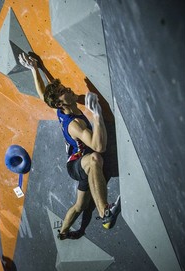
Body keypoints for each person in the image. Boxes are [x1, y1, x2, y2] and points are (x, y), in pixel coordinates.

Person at [18, 53, 121, 239]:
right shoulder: (75, 124)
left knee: (80, 206)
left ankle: (63, 232)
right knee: (95, 159)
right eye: (65, 90)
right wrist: (96, 116)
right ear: (60, 102)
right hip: (75, 165)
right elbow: (99, 146)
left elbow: (44, 95)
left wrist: (35, 69)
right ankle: (105, 213)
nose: (70, 89)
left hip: (82, 162)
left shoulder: (60, 107)